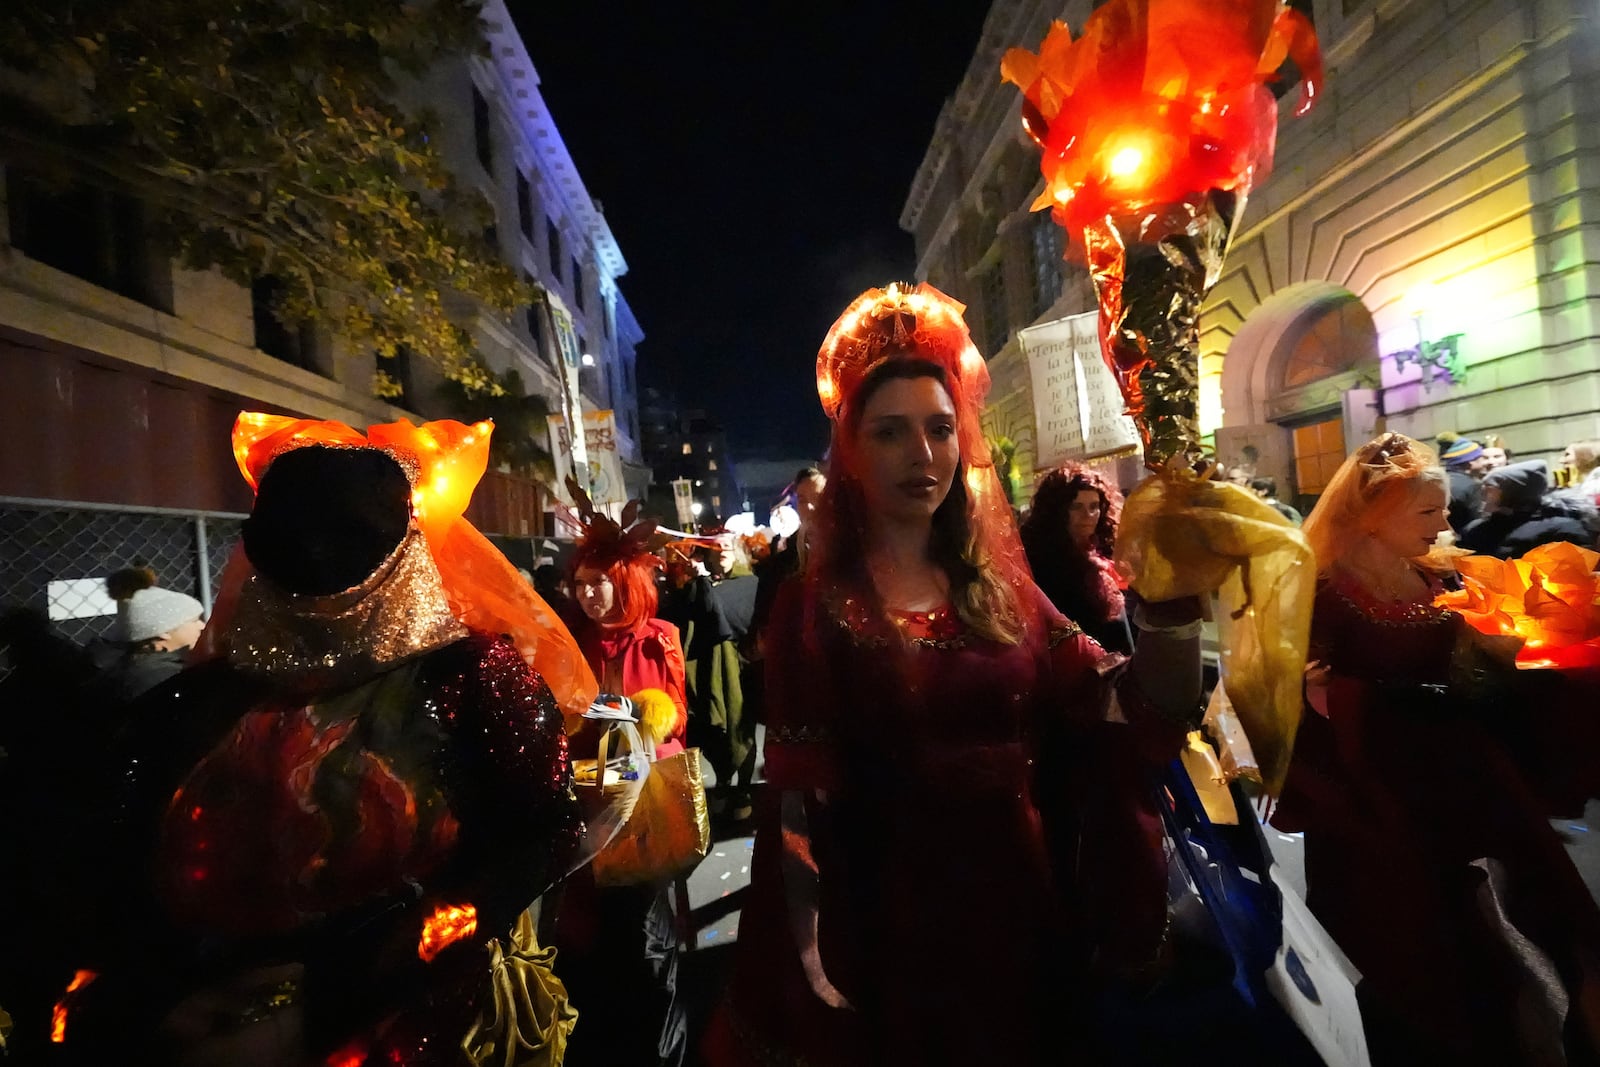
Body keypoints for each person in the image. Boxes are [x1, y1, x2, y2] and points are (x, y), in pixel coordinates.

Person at [704, 282, 1201, 1067]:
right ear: (854, 453)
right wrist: (808, 962)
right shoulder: (812, 607)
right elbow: (799, 810)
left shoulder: (1005, 591)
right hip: (890, 926)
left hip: (1023, 907)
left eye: (939, 430)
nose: (923, 455)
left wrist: (1176, 603)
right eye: (892, 433)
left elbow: (1126, 706)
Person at [58, 415, 589, 1066]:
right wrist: (148, 995)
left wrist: (374, 974)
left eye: (342, 561)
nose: (315, 589)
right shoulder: (194, 701)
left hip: (410, 1019)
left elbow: (541, 827)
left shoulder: (470, 677)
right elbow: (118, 865)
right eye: (293, 560)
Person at [1272, 432, 1600, 1064]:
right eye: (1427, 512)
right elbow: (1297, 695)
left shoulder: (1434, 570)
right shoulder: (1323, 589)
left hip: (1465, 768)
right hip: (1384, 788)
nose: (1445, 523)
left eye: (1443, 509)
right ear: (1372, 512)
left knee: (1525, 912)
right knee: (1414, 936)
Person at [557, 493, 689, 1067]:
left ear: (625, 581)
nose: (588, 593)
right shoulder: (570, 640)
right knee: (593, 932)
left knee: (646, 935)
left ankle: (660, 1047)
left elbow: (678, 712)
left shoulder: (657, 635)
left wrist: (647, 713)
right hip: (586, 797)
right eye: (581, 583)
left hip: (643, 800)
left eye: (598, 583)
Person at [1020, 463, 1134, 654]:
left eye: (1094, 506)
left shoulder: (1103, 552)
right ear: (1057, 511)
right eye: (1076, 506)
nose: (1088, 515)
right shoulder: (1043, 563)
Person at [89, 566, 206, 702]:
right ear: (163, 632)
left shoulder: (129, 667)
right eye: (194, 621)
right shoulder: (160, 678)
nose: (202, 626)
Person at [1459, 459, 1596, 558]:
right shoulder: (1477, 528)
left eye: (1490, 488)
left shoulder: (1562, 528)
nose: (1483, 495)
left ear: (1513, 492)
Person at [1437, 431, 1485, 533]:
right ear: (1471, 461)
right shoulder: (1471, 486)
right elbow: (1476, 520)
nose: (1486, 462)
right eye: (1482, 458)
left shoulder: (1439, 481)